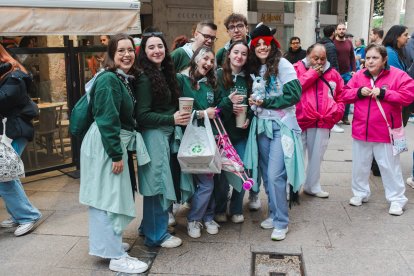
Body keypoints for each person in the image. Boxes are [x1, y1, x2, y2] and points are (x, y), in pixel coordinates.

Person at [78, 33, 148, 274]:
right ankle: (116, 257)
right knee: (108, 199)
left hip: (106, 144)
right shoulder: (109, 79)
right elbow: (107, 119)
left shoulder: (118, 78)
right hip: (106, 145)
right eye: (121, 51)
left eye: (130, 50)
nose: (127, 54)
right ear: (112, 55)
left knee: (104, 198)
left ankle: (107, 245)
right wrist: (116, 155)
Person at [245, 24, 304, 241]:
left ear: (272, 44)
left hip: (281, 126)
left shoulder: (284, 65)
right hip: (261, 126)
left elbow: (294, 95)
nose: (261, 47)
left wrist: (266, 101)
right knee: (266, 174)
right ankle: (273, 212)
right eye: (257, 44)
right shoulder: (254, 68)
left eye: (265, 43)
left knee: (275, 175)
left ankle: (281, 221)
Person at [342, 43, 414, 216]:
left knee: (389, 167)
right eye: (367, 58)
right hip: (361, 130)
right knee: (360, 166)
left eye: (375, 58)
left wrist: (384, 93)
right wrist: (359, 92)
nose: (370, 61)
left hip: (385, 132)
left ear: (384, 60)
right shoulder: (359, 76)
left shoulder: (398, 75)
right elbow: (344, 94)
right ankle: (360, 193)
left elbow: (408, 95)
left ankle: (397, 199)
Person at [135, 30, 190, 248]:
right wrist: (172, 118)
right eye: (151, 47)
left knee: (157, 183)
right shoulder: (145, 78)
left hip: (164, 133)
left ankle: (147, 227)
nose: (157, 50)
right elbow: (142, 116)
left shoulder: (164, 73)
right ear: (144, 51)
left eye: (160, 46)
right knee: (157, 185)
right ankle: (156, 236)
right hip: (154, 135)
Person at [176, 46, 226, 238]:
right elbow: (179, 111)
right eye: (205, 58)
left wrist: (222, 106)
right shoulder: (182, 80)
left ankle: (207, 217)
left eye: (212, 61)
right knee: (206, 184)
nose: (208, 63)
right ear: (195, 59)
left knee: (210, 180)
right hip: (188, 139)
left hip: (209, 139)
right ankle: (195, 219)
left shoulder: (212, 83)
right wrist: (203, 113)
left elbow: (219, 107)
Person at [0, 43, 42, 237]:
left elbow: (3, 99)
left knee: (5, 177)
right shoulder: (7, 74)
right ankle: (19, 214)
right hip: (10, 132)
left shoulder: (14, 76)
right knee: (7, 174)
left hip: (14, 131)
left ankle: (28, 215)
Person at [294, 43, 345, 199]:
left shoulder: (333, 73)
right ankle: (294, 186)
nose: (319, 62)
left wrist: (337, 112)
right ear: (308, 55)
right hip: (300, 119)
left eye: (322, 59)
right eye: (315, 58)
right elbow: (293, 89)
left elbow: (341, 95)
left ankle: (312, 185)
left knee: (317, 155)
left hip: (323, 120)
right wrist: (311, 74)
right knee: (297, 155)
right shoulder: (296, 68)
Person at [214, 41, 251, 224]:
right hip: (221, 135)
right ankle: (220, 207)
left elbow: (252, 104)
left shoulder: (248, 79)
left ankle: (236, 207)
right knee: (221, 174)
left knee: (242, 169)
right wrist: (229, 105)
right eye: (236, 52)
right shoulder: (218, 75)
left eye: (243, 54)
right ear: (228, 54)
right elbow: (215, 107)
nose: (239, 56)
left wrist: (248, 118)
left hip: (240, 134)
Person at [334, 23, 356, 126]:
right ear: (336, 30)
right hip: (335, 74)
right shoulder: (332, 42)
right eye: (340, 29)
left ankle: (345, 116)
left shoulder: (349, 43)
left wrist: (354, 70)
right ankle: (334, 116)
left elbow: (352, 57)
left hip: (347, 73)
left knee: (347, 96)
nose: (342, 31)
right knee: (334, 96)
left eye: (343, 29)